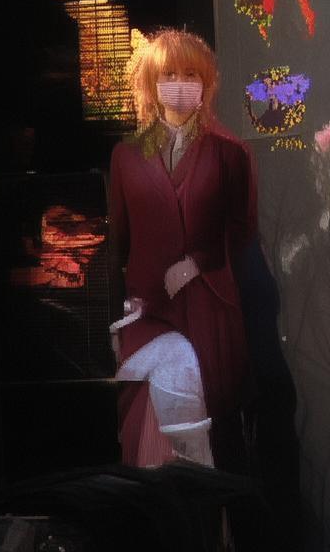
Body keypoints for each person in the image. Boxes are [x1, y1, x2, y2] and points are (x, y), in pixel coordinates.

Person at [108, 29, 256, 470]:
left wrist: (198, 263)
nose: (179, 84)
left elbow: (242, 230)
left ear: (206, 83)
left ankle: (216, 513)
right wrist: (122, 305)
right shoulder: (126, 156)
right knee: (147, 426)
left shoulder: (229, 153)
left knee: (212, 423)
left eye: (191, 75)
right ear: (151, 83)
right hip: (149, 311)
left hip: (209, 306)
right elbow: (119, 240)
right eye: (168, 74)